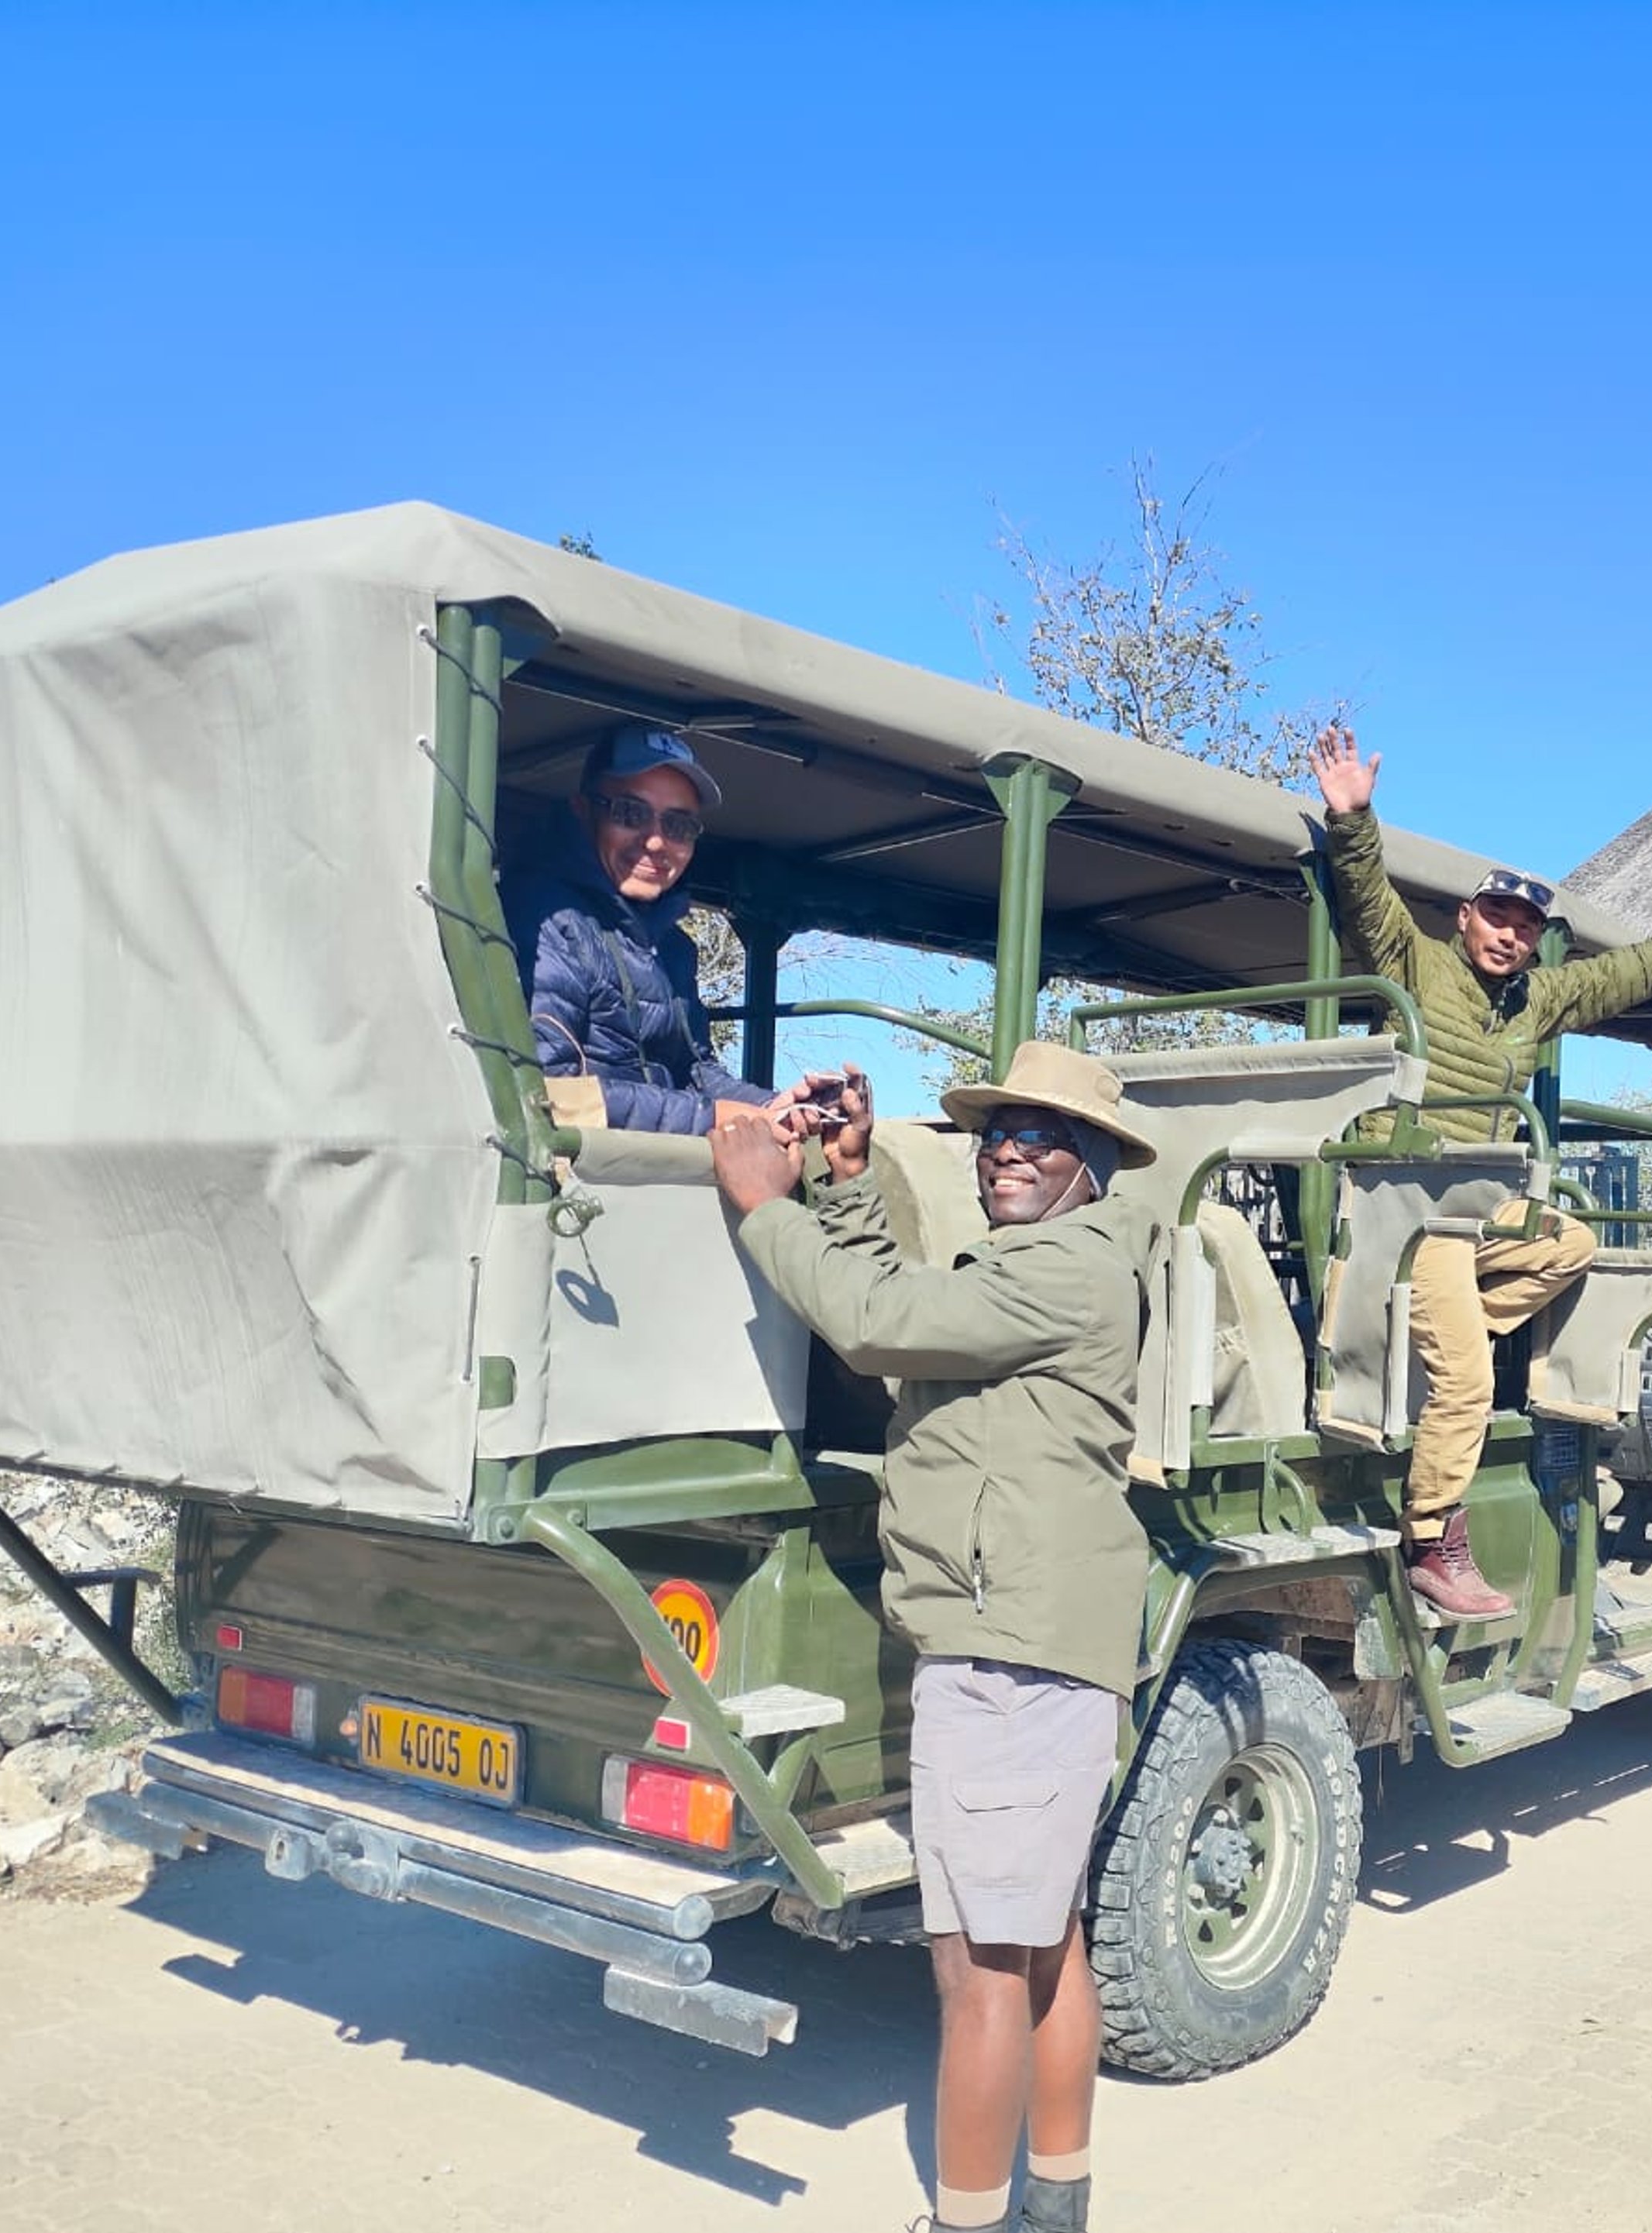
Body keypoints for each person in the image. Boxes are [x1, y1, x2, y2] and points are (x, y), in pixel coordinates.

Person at [714, 1041, 1158, 2233]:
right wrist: (850, 1183)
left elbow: (875, 1321)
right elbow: (912, 1318)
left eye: (1046, 1135)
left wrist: (766, 1204)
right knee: (1043, 1938)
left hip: (1007, 1647)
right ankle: (1053, 2203)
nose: (1011, 1148)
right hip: (1032, 1635)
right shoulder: (1045, 1260)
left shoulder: (1062, 1269)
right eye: (995, 1130)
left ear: (1099, 1165)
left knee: (977, 1969)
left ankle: (969, 2223)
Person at [1309, 724, 1652, 1619]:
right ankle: (1432, 1535)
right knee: (1470, 1382)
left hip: (1485, 1217)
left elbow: (1619, 977)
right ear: (1465, 919)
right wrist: (1355, 819)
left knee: (1573, 1241)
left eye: (1527, 928)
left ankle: (1435, 1333)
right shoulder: (1418, 962)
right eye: (1497, 918)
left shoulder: (1540, 999)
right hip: (1415, 1214)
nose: (1510, 937)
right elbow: (1366, 901)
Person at [504, 724, 785, 1134]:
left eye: (678, 825)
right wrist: (711, 1117)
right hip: (578, 1177)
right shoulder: (542, 916)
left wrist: (777, 1106)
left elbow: (695, 1069)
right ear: (585, 811)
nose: (656, 842)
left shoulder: (673, 948)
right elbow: (547, 1093)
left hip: (645, 1167)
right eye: (630, 813)